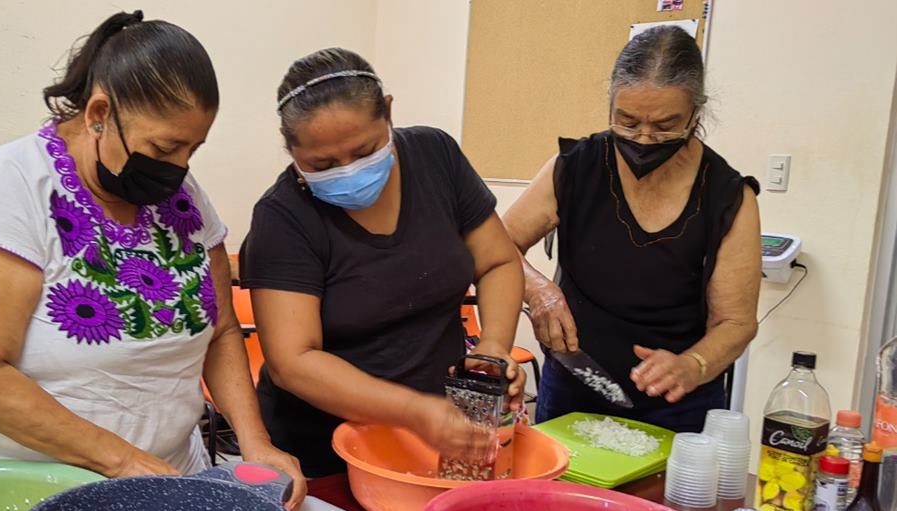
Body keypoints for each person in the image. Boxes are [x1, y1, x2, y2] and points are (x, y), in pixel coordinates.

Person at [0, 12, 306, 508]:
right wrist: (122, 461)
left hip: (161, 480)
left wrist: (254, 442)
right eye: (165, 146)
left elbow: (222, 329)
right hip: (12, 495)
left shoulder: (184, 199)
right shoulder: (7, 188)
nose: (179, 167)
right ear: (99, 112)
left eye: (192, 149)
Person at [241, 48, 526, 477]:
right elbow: (292, 362)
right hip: (324, 453)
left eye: (364, 151)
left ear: (388, 112)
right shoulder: (283, 217)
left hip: (435, 437)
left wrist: (494, 346)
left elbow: (497, 263)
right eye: (322, 164)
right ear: (290, 149)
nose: (347, 172)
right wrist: (413, 411)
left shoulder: (435, 157)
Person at [503, 27, 761, 433]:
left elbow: (737, 322)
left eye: (665, 125)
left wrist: (693, 365)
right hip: (573, 386)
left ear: (696, 112)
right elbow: (498, 245)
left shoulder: (727, 196)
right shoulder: (576, 167)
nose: (644, 138)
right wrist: (537, 290)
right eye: (627, 121)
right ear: (611, 104)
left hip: (677, 405)